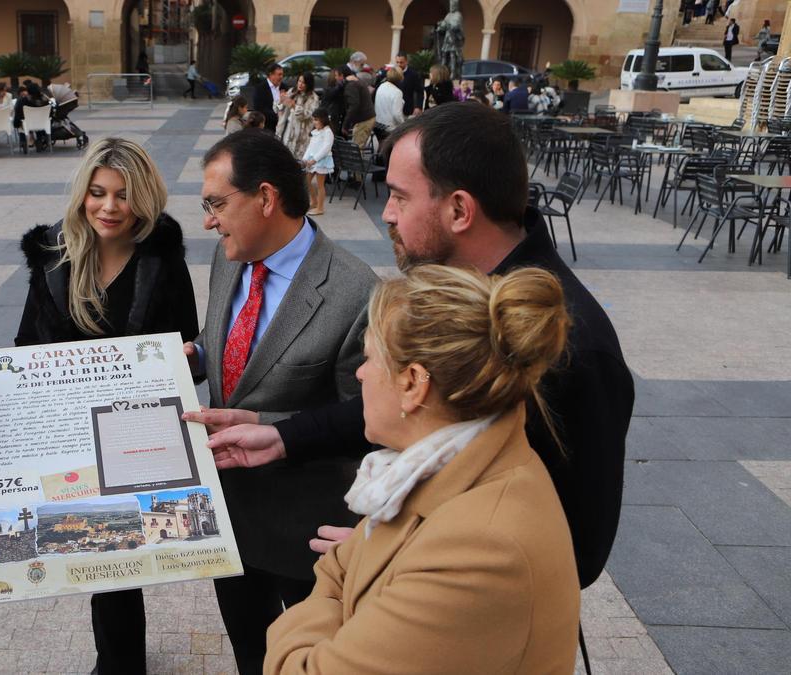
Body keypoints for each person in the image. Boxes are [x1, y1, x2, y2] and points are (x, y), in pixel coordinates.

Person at [197, 102, 634, 594]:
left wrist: (404, 552)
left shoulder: (571, 345)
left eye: (400, 198)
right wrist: (282, 436)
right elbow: (406, 412)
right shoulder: (458, 294)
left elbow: (577, 549)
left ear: (460, 210)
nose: (385, 213)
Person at [264, 265, 580, 674]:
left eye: (369, 357)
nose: (360, 373)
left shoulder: (478, 550)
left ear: (413, 383)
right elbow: (341, 563)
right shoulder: (442, 468)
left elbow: (300, 668)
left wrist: (323, 605)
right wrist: (339, 592)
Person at [185, 129, 378, 674]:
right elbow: (226, 341)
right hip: (226, 519)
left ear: (266, 198)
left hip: (304, 530)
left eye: (216, 204)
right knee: (250, 653)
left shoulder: (355, 292)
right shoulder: (231, 256)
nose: (208, 221)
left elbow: (369, 420)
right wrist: (194, 356)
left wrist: (268, 426)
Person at [15, 138, 197, 672]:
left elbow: (185, 348)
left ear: (143, 198)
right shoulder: (53, 257)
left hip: (137, 433)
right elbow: (27, 343)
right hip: (68, 428)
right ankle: (117, 659)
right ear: (82, 194)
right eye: (97, 193)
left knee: (123, 558)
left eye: (122, 195)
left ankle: (120, 663)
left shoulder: (161, 261)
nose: (109, 207)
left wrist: (187, 361)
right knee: (97, 551)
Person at [275, 72, 319, 160]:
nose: (300, 84)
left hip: (302, 136)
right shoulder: (292, 91)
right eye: (299, 81)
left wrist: (294, 106)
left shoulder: (313, 98)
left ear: (308, 84)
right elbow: (278, 109)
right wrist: (280, 101)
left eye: (303, 82)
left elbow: (307, 115)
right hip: (287, 132)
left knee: (298, 163)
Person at [302, 109, 334, 217]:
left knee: (320, 185)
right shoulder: (316, 132)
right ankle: (314, 201)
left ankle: (320, 208)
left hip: (322, 161)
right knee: (307, 181)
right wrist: (305, 158)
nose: (314, 122)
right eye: (313, 120)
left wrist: (314, 159)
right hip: (312, 161)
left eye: (316, 120)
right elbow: (311, 146)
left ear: (323, 120)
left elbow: (326, 148)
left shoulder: (328, 132)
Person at [343, 66, 377, 149]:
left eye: (337, 76)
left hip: (364, 120)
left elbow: (354, 105)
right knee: (358, 146)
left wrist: (345, 125)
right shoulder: (357, 82)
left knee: (357, 148)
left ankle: (357, 162)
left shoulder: (351, 85)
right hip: (367, 118)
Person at [13, 80, 50, 153]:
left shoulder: (22, 101)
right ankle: (39, 140)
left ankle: (23, 141)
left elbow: (18, 113)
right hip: (42, 124)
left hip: (27, 124)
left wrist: (17, 123)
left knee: (21, 124)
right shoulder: (45, 101)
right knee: (38, 123)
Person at [250, 62, 285, 131]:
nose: (281, 77)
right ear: (271, 75)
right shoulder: (260, 89)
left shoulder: (284, 87)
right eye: (279, 74)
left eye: (282, 74)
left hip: (282, 127)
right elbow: (259, 108)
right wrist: (277, 116)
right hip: (267, 127)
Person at [395, 52, 424, 117]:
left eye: (401, 62)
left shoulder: (414, 74)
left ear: (406, 62)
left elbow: (419, 91)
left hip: (407, 109)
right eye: (397, 62)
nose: (399, 64)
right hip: (393, 108)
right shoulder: (393, 72)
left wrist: (418, 107)